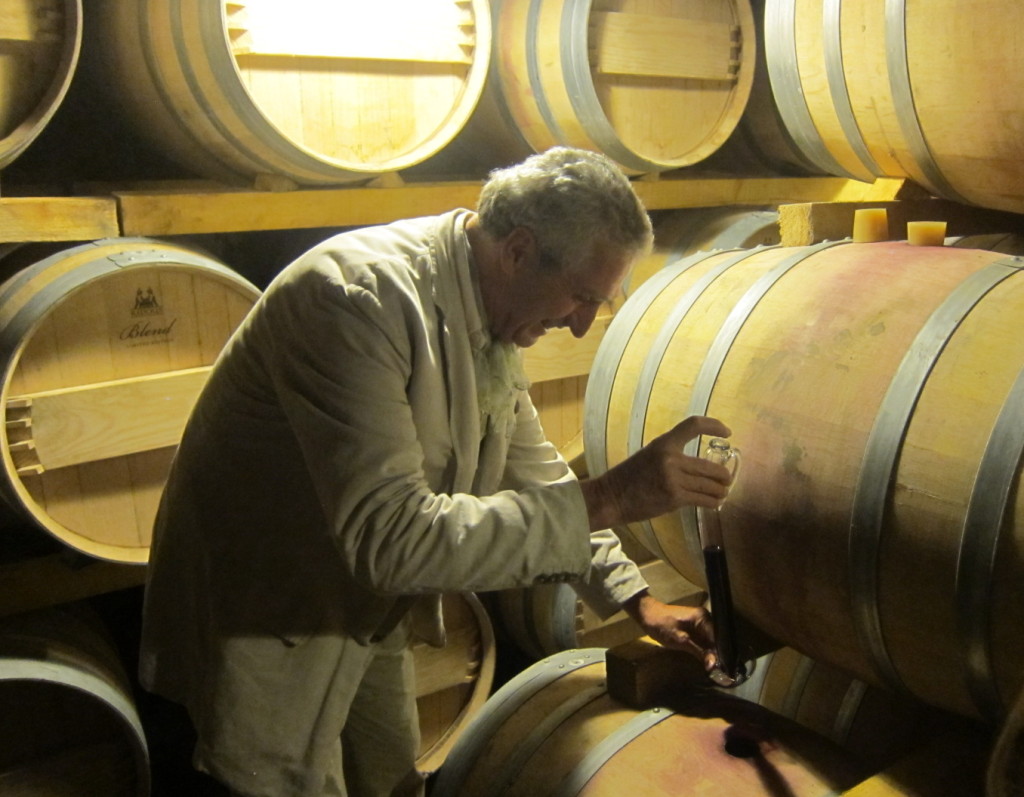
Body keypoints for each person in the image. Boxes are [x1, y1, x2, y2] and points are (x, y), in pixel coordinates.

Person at [139, 146, 735, 797]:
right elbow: (389, 539)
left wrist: (636, 598)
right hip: (267, 603)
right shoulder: (356, 299)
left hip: (359, 604)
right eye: (581, 296)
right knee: (263, 776)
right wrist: (618, 493)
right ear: (518, 250)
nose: (581, 323)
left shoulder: (490, 314)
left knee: (391, 775)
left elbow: (538, 475)